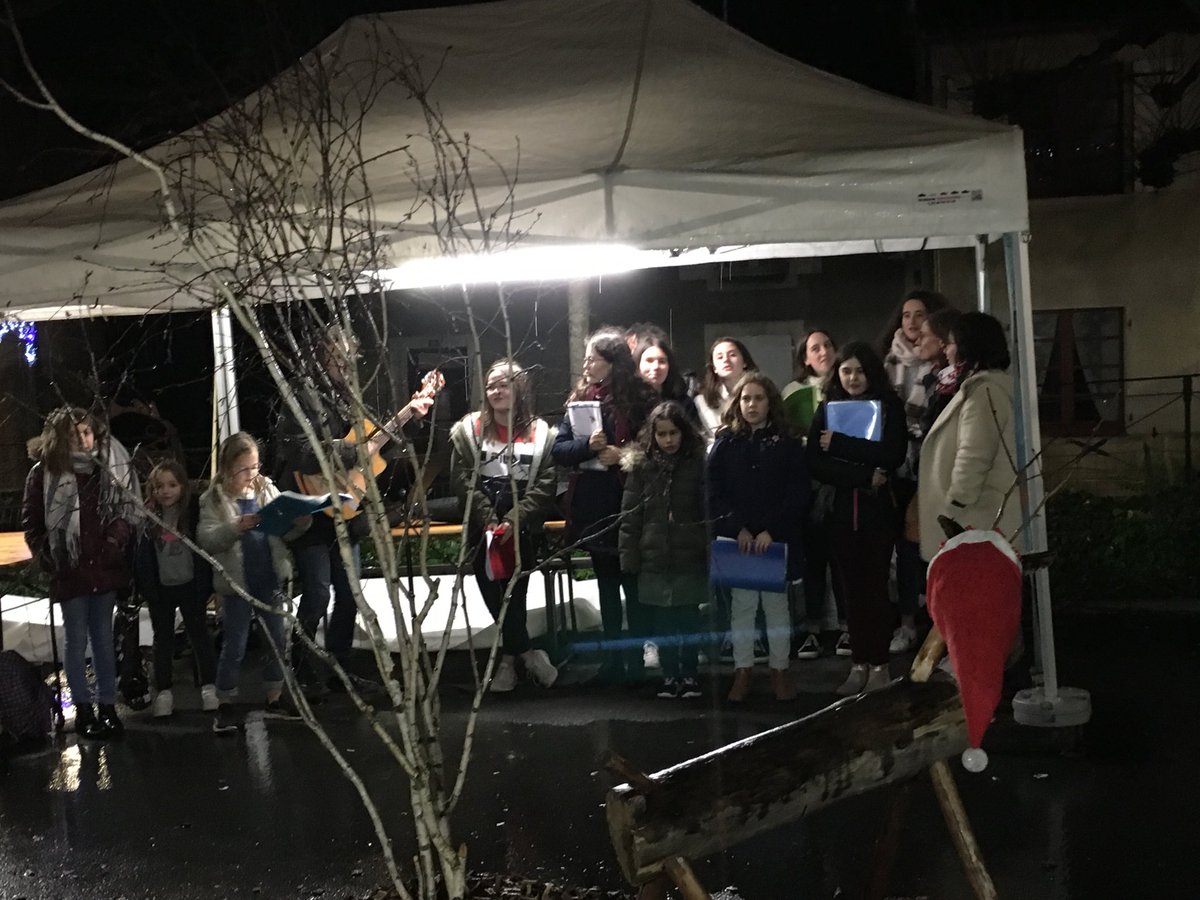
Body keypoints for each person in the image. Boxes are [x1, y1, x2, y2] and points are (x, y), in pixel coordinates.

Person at [272, 331, 432, 696]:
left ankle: (338, 670)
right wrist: (352, 453)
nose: (344, 365)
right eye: (336, 356)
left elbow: (374, 454)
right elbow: (299, 452)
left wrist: (413, 417)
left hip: (347, 510)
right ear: (321, 354)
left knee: (349, 595)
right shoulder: (301, 395)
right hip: (311, 509)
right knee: (317, 594)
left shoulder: (351, 401)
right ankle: (299, 669)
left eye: (349, 358)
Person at [22, 406, 139, 739]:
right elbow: (32, 522)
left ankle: (108, 707)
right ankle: (84, 710)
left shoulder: (106, 468)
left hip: (104, 567)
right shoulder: (43, 474)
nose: (83, 439)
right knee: (76, 642)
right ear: (60, 439)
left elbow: (123, 510)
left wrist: (114, 542)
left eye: (87, 432)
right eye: (74, 435)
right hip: (70, 570)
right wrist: (51, 555)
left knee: (103, 640)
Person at [552, 327, 656, 685]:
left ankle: (638, 661)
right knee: (607, 587)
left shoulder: (641, 397)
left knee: (634, 585)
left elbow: (659, 447)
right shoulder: (580, 398)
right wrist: (589, 448)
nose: (586, 364)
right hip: (594, 505)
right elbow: (559, 450)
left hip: (630, 503)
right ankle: (612, 661)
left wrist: (622, 456)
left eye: (593, 358)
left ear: (613, 363)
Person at [449, 359, 559, 693]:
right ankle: (526, 654)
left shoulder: (542, 433)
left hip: (522, 525)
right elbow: (461, 479)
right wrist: (489, 518)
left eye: (505, 384)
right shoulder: (468, 431)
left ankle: (508, 664)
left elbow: (547, 481)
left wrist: (515, 518)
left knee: (516, 594)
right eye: (492, 385)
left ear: (520, 388)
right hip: (482, 523)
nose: (497, 391)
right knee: (491, 592)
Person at [806, 342, 907, 696]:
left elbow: (892, 453)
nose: (852, 378)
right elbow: (815, 460)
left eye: (859, 371)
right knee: (849, 592)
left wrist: (840, 444)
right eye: (846, 371)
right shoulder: (827, 407)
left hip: (878, 513)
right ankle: (858, 665)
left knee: (875, 590)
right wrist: (863, 475)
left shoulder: (890, 406)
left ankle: (879, 665)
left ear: (872, 372)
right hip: (838, 512)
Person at [199, 432, 310, 734]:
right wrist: (234, 527)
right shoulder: (214, 499)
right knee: (234, 643)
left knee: (276, 640)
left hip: (267, 577)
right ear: (226, 469)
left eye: (255, 466)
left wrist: (298, 522)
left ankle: (274, 698)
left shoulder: (265, 489)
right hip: (236, 583)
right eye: (244, 469)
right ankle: (225, 702)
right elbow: (206, 538)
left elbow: (285, 532)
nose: (251, 474)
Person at [707, 372, 807, 703]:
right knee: (743, 607)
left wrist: (771, 530)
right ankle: (743, 671)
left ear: (770, 403)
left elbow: (796, 492)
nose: (752, 405)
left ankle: (780, 669)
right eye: (746, 398)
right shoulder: (725, 444)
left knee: (777, 607)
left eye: (759, 398)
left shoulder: (787, 443)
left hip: (774, 539)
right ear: (737, 403)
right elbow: (714, 493)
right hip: (739, 540)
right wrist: (738, 528)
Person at [619, 401, 709, 700]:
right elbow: (630, 515)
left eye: (673, 433)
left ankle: (690, 674)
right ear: (652, 435)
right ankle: (671, 674)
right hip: (655, 555)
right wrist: (629, 554)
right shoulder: (643, 466)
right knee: (664, 620)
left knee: (689, 617)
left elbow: (706, 509)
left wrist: (708, 548)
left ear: (684, 432)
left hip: (689, 553)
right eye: (662, 434)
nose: (668, 440)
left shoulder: (696, 463)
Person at [917, 312, 1022, 563]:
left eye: (951, 343)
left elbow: (974, 456)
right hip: (979, 521)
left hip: (975, 522)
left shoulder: (984, 392)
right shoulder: (985, 387)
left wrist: (953, 508)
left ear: (968, 347)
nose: (947, 351)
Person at [879, 290, 950, 655]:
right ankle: (906, 622)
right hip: (898, 465)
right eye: (906, 315)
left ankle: (938, 626)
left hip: (932, 463)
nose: (911, 322)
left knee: (934, 545)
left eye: (920, 315)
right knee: (903, 547)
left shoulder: (941, 368)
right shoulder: (887, 361)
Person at [781, 328, 850, 661]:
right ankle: (812, 629)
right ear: (804, 358)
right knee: (813, 561)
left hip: (843, 484)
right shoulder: (793, 392)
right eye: (814, 348)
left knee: (842, 559)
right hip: (808, 486)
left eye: (827, 345)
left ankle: (847, 627)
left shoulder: (848, 386)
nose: (822, 352)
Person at [135, 459, 219, 717]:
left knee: (199, 635)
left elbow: (204, 549)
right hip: (161, 589)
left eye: (172, 485)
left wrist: (205, 585)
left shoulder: (192, 513)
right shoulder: (148, 517)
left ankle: (208, 686)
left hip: (190, 585)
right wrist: (147, 588)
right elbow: (142, 556)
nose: (166, 491)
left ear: (183, 486)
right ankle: (164, 692)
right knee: (163, 640)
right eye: (159, 486)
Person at [694, 337, 758, 446]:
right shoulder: (702, 400)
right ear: (714, 368)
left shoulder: (762, 391)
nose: (726, 360)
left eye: (732, 355)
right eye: (719, 357)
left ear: (744, 362)